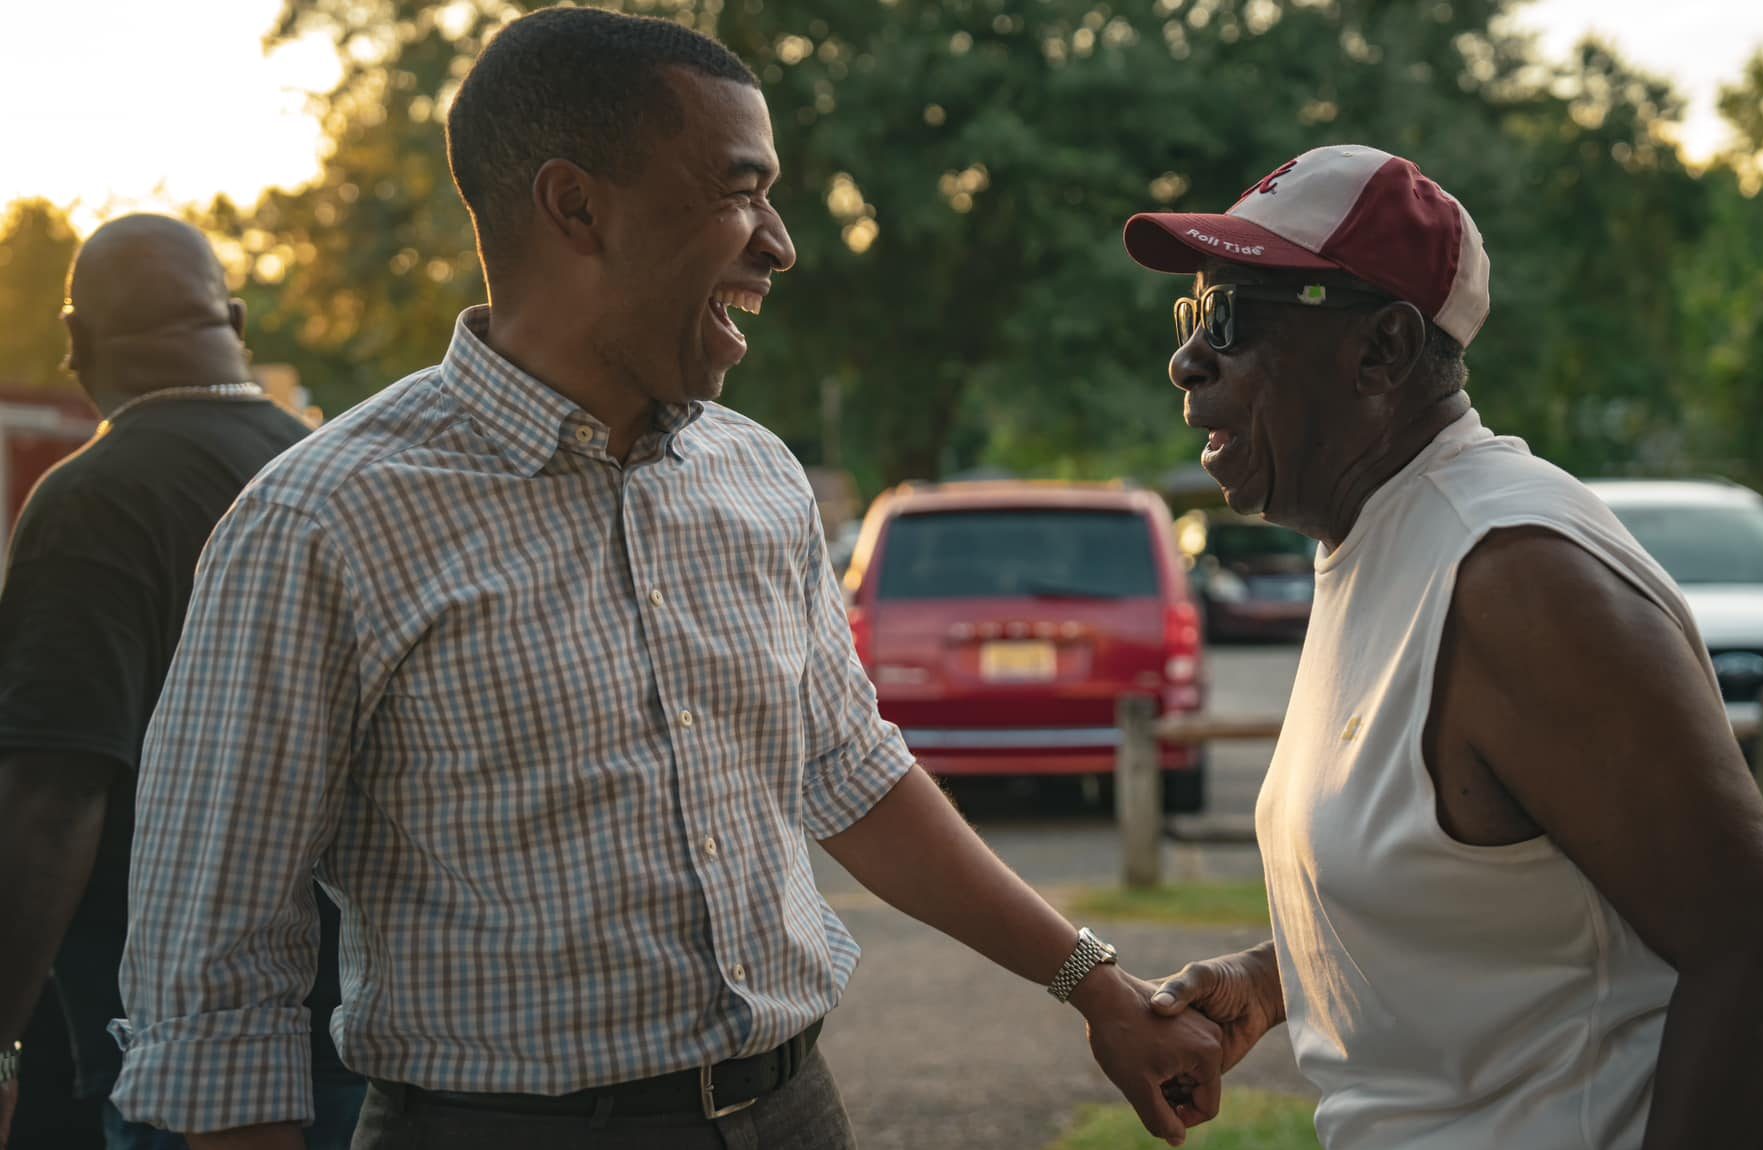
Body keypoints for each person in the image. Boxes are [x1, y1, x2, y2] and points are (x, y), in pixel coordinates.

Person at [109, 10, 1221, 1150]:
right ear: (576, 206)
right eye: (740, 191)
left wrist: (1098, 987)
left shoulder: (757, 479)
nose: (780, 242)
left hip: (794, 1112)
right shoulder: (321, 520)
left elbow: (852, 774)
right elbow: (215, 961)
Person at [1124, 146, 1763, 1149]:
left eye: (1228, 320)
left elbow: (1755, 957)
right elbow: (1489, 880)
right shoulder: (1376, 536)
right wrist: (1273, 981)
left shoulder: (1513, 576)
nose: (1187, 360)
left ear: (1381, 352)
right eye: (1191, 321)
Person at [0, 216, 364, 1149]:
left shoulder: (93, 498)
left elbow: (53, 793)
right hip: (361, 1024)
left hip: (180, 1057)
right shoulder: (328, 471)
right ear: (235, 321)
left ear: (75, 342)